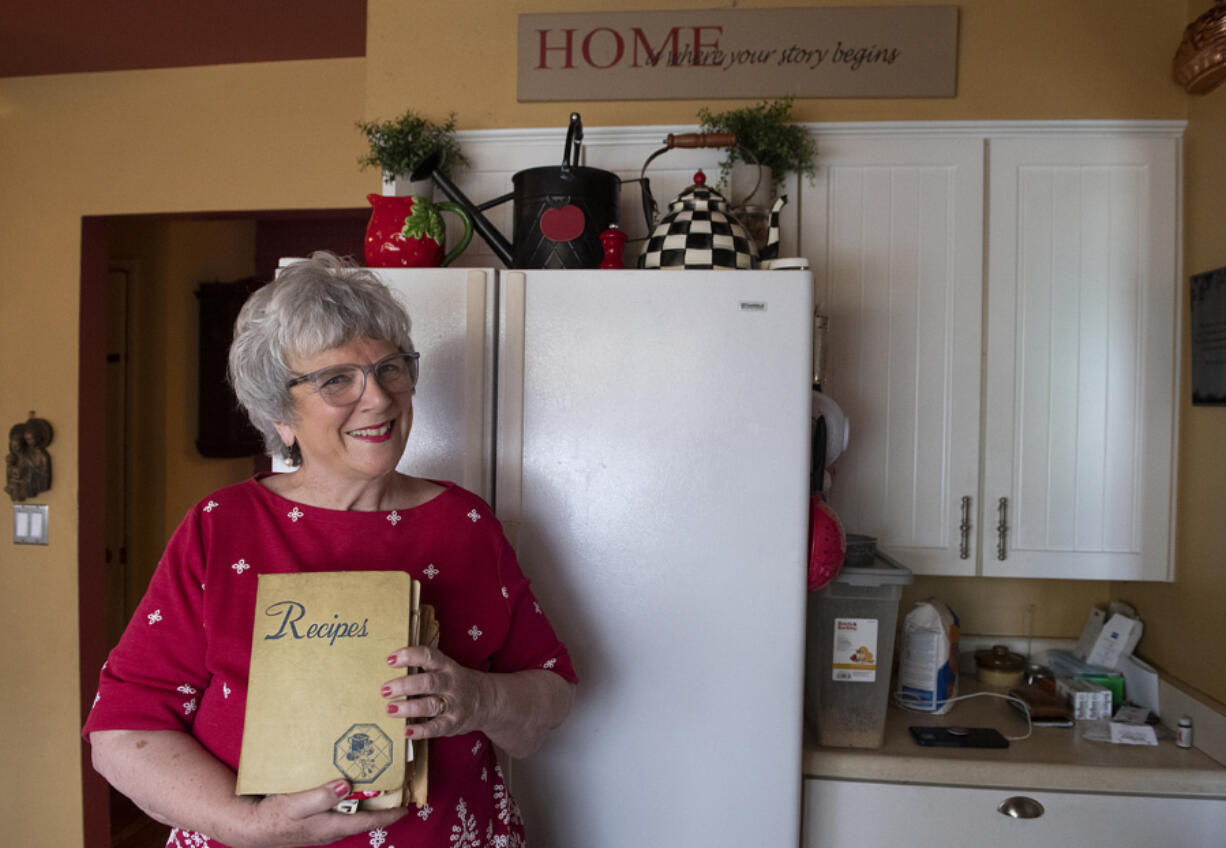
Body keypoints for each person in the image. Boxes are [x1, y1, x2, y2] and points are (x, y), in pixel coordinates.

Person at [85, 252, 577, 848]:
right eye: (336, 379)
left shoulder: (466, 524)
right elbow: (123, 731)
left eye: (390, 368)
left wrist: (480, 698)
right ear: (278, 415)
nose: (377, 398)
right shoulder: (223, 528)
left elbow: (548, 703)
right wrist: (252, 825)